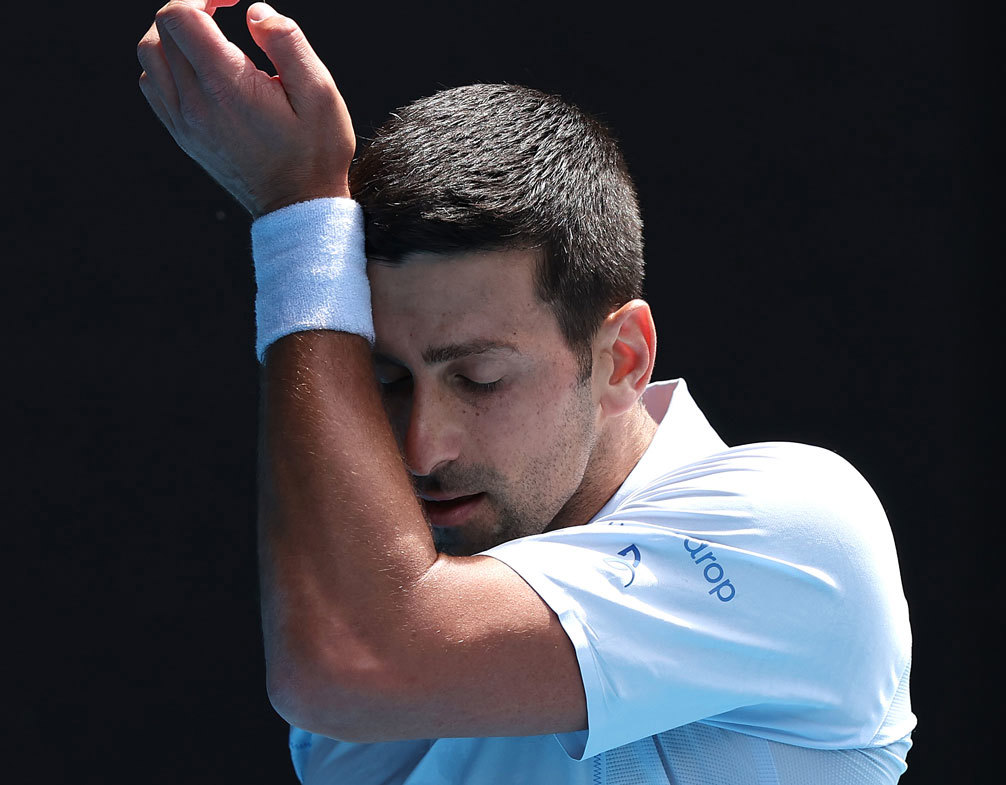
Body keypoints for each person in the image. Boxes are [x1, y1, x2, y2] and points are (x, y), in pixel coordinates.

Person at [135, 2, 915, 783]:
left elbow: (352, 658)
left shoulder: (798, 526)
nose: (420, 446)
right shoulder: (354, 686)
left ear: (622, 360)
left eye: (479, 378)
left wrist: (297, 211)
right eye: (383, 381)